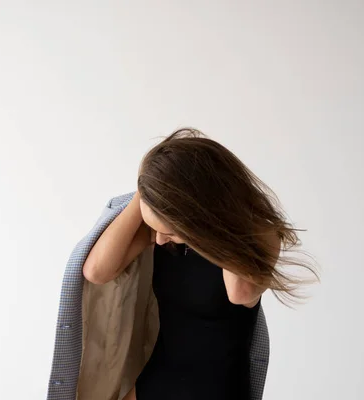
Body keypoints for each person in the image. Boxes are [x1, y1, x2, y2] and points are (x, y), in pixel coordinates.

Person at [82, 128, 317, 400]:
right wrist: (148, 185)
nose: (159, 240)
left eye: (169, 231)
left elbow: (241, 293)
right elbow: (96, 271)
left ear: (196, 213)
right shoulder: (166, 235)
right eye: (154, 228)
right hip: (156, 384)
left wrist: (213, 219)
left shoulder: (260, 235)